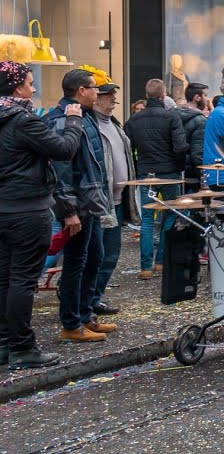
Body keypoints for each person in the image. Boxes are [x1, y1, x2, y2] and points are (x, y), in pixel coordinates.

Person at [0, 61, 85, 369]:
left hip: (4, 208)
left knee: (4, 279)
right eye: (29, 82)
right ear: (16, 87)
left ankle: (4, 345)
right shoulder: (22, 120)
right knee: (23, 280)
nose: (34, 89)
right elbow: (63, 149)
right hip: (26, 210)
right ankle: (22, 347)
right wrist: (74, 122)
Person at [46, 69, 118, 343]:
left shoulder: (83, 116)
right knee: (77, 263)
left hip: (90, 203)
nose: (97, 93)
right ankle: (71, 323)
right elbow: (62, 169)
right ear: (80, 90)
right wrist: (69, 211)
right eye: (93, 88)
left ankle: (85, 315)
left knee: (94, 258)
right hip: (78, 204)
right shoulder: (65, 119)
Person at [124, 79, 189, 280]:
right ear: (163, 96)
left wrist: (137, 169)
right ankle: (161, 261)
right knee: (169, 216)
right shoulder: (172, 117)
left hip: (146, 174)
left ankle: (145, 267)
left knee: (147, 221)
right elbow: (180, 147)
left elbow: (127, 149)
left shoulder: (134, 120)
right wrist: (179, 167)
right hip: (169, 172)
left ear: (147, 95)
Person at [90, 82, 138, 317]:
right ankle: (87, 301)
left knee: (111, 254)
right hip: (100, 201)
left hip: (117, 200)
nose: (113, 102)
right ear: (95, 97)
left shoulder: (115, 125)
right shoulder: (88, 124)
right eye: (109, 97)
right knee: (96, 255)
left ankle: (95, 297)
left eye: (114, 98)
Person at [175, 83, 209, 193]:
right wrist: (203, 178)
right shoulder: (200, 121)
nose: (207, 99)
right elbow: (198, 153)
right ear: (197, 97)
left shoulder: (171, 115)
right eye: (205, 95)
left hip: (175, 172)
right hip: (192, 176)